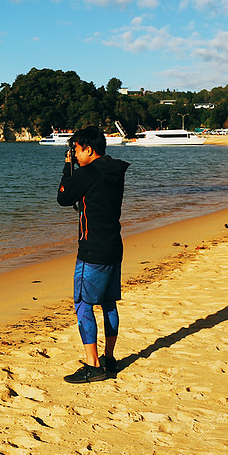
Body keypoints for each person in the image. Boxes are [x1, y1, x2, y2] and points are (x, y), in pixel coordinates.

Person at [56, 126, 130, 383]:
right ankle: (109, 359)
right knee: (108, 303)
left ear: (88, 149)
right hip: (113, 245)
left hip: (92, 250)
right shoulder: (113, 171)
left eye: (76, 150)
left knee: (83, 304)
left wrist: (67, 169)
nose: (74, 155)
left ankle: (93, 365)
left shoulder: (87, 173)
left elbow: (63, 197)